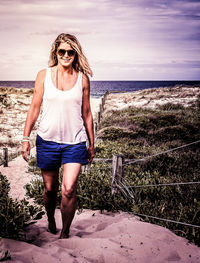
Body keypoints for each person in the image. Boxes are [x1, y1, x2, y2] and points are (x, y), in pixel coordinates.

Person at [21, 33, 94, 239]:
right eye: (62, 51)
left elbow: (87, 113)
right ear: (56, 52)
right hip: (47, 141)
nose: (66, 55)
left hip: (75, 142)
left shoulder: (83, 79)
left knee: (69, 189)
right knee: (50, 190)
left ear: (76, 54)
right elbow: (34, 108)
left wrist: (92, 143)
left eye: (70, 52)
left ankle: (65, 231)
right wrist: (26, 139)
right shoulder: (43, 75)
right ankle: (51, 219)